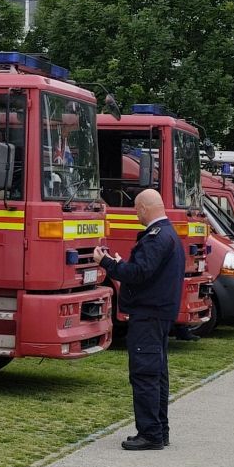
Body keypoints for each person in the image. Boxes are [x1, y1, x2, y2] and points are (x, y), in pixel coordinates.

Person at [93, 189, 185, 450]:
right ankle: (159, 430)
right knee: (157, 374)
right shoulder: (168, 234)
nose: (136, 214)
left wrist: (108, 263)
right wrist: (123, 264)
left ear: (144, 208)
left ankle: (150, 433)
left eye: (136, 210)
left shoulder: (156, 237)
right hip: (158, 313)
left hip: (148, 314)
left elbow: (139, 273)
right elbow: (147, 271)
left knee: (145, 374)